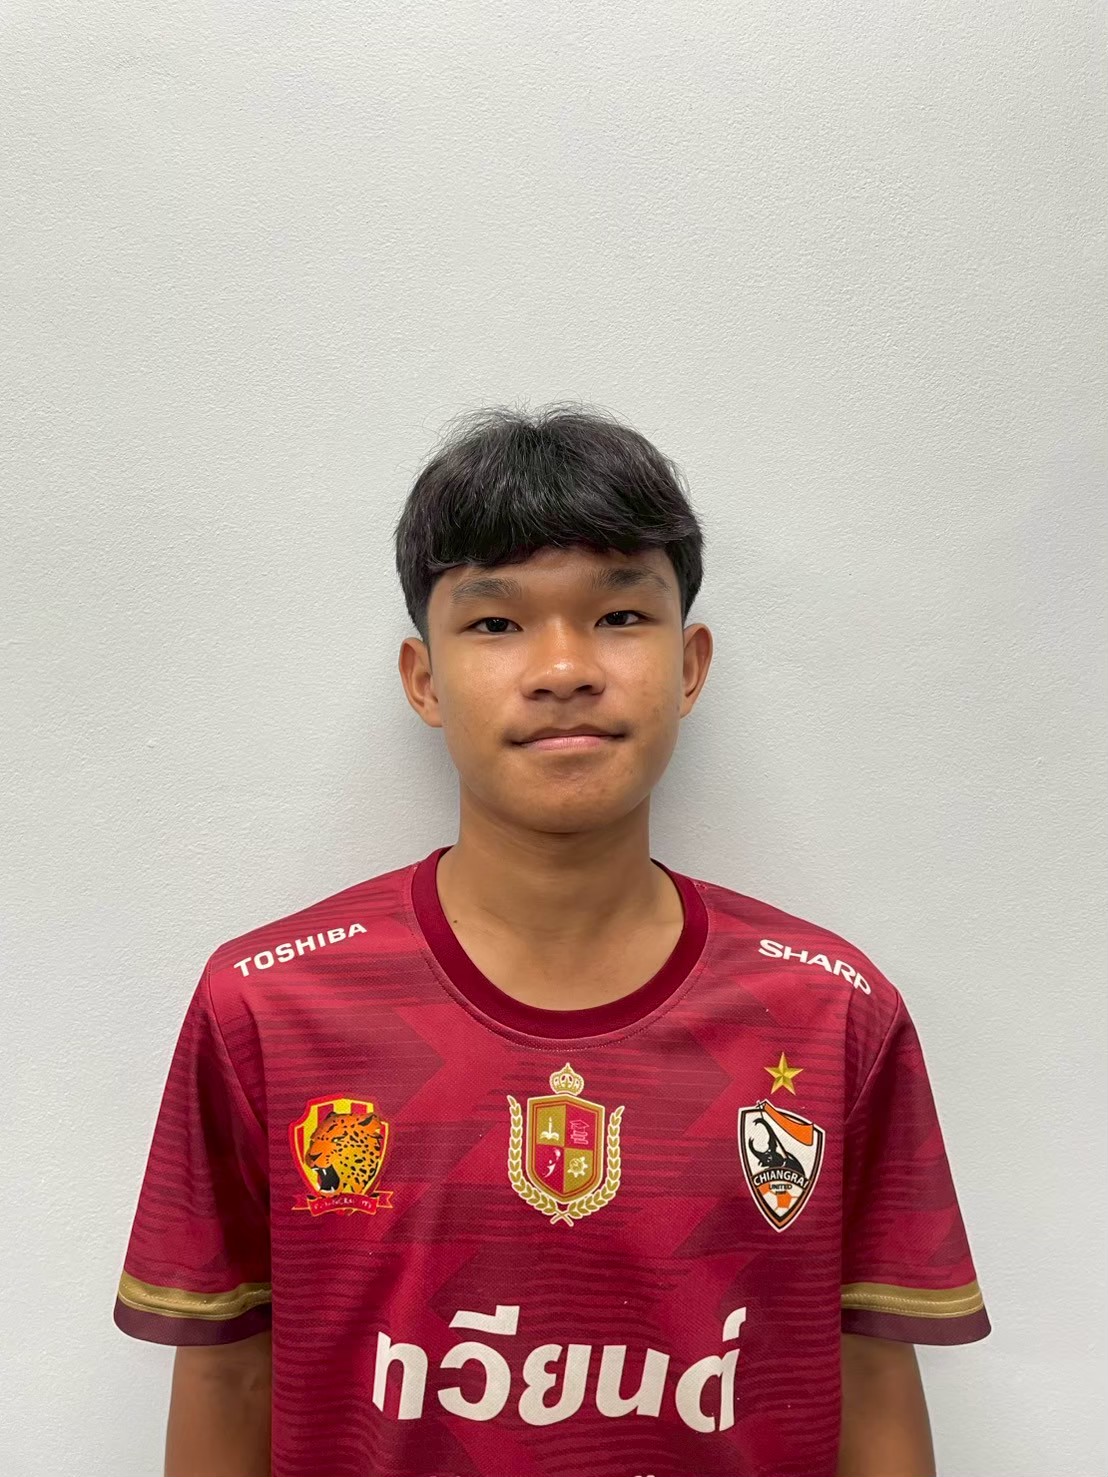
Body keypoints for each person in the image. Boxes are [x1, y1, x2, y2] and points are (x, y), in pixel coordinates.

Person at [113, 403, 990, 1477]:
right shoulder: (268, 1007)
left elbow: (871, 1380)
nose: (564, 666)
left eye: (620, 614)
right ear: (424, 679)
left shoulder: (830, 1014)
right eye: (496, 624)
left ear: (691, 664)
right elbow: (228, 1379)